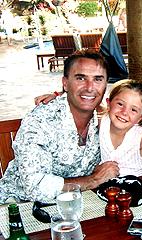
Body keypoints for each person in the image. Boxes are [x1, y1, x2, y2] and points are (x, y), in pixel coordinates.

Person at [0, 49, 119, 204]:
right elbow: (34, 186)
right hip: (18, 205)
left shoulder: (105, 120)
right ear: (65, 83)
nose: (90, 87)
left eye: (98, 79)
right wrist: (93, 180)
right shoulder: (40, 120)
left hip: (76, 204)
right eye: (80, 78)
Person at [99, 79, 142, 177]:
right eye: (120, 104)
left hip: (137, 187)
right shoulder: (102, 121)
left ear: (141, 118)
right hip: (106, 188)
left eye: (133, 110)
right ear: (108, 103)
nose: (124, 112)